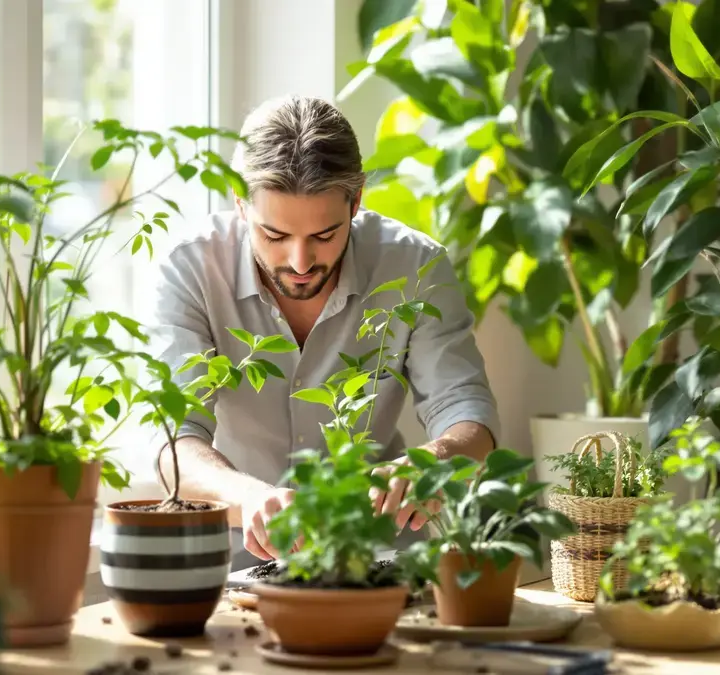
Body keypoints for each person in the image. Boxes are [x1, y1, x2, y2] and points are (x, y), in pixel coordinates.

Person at [147, 94, 500, 568]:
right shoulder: (191, 268)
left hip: (375, 557)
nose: (300, 262)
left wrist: (433, 460)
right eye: (275, 235)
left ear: (357, 201)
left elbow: (466, 408)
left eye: (324, 235)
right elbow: (172, 439)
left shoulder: (414, 265)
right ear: (239, 202)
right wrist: (250, 497)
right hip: (228, 561)